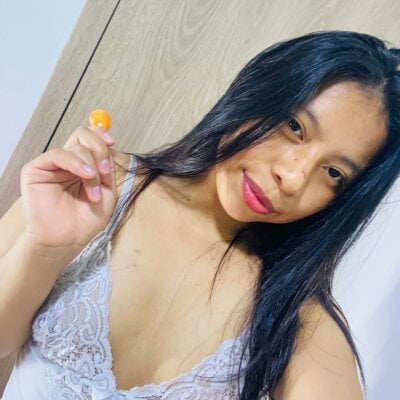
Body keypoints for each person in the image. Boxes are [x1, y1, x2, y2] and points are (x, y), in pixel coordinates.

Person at [0, 29, 398, 400]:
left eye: (333, 173)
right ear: (259, 91)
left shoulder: (294, 315)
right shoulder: (95, 188)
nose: (293, 179)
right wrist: (45, 248)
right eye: (294, 126)